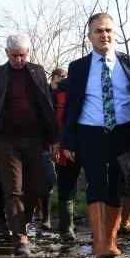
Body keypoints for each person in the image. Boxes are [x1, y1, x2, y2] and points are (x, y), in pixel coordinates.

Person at [59, 13, 130, 258]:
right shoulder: (78, 67)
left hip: (124, 131)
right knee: (96, 182)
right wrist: (67, 140)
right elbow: (71, 107)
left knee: (119, 184)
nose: (104, 35)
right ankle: (99, 244)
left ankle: (111, 241)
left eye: (109, 30)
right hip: (90, 131)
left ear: (115, 34)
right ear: (90, 37)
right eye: (99, 31)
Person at [0, 34, 57, 257]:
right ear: (6, 53)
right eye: (14, 56)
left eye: (23, 55)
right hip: (7, 141)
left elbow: (47, 105)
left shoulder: (37, 71)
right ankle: (20, 237)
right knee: (13, 191)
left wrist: (53, 139)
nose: (19, 60)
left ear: (28, 53)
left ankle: (23, 222)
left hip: (35, 139)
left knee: (37, 187)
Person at [49, 66, 81, 244]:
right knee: (66, 184)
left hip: (87, 144)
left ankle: (97, 229)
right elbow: (55, 121)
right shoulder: (57, 95)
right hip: (64, 145)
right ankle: (66, 227)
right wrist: (55, 143)